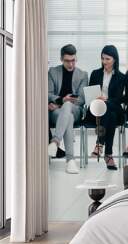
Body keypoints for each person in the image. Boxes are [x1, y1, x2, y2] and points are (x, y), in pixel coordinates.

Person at [48, 44, 88, 174]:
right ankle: (70, 161)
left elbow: (81, 99)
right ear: (61, 59)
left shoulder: (82, 75)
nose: (71, 64)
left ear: (76, 58)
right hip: (57, 113)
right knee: (68, 117)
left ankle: (55, 141)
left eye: (73, 60)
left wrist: (62, 102)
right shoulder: (53, 72)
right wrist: (62, 101)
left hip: (75, 110)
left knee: (69, 107)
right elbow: (47, 94)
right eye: (67, 61)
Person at [86, 45, 125, 170]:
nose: (104, 62)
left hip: (112, 107)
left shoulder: (120, 77)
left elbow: (118, 99)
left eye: (107, 59)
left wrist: (106, 100)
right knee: (110, 115)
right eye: (103, 58)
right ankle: (108, 155)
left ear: (114, 59)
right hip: (95, 111)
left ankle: (99, 144)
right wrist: (96, 99)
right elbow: (90, 93)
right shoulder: (95, 73)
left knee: (109, 110)